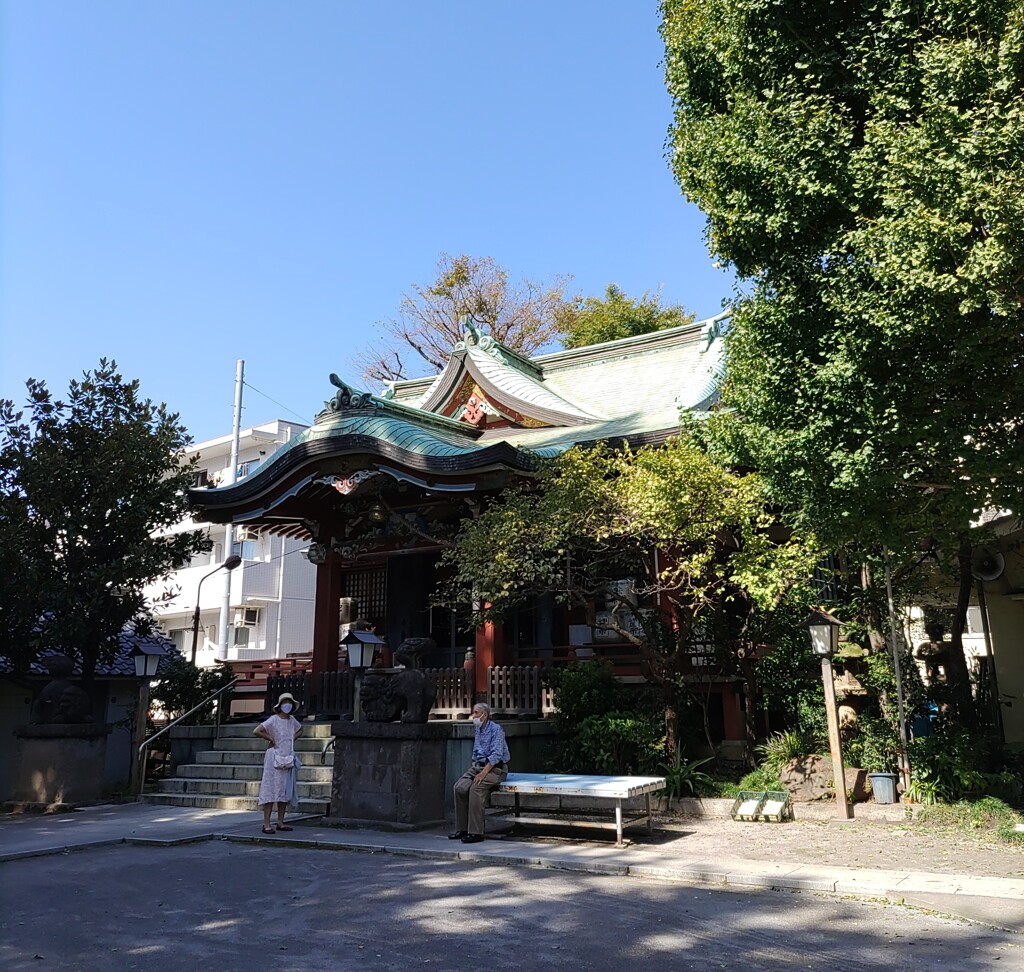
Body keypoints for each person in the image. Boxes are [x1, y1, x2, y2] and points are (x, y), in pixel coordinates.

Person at [449, 702, 510, 844]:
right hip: (478, 766)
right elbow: (476, 751)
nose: (473, 716)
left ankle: (476, 832)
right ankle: (462, 828)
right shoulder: (478, 729)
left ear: (485, 714)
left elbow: (496, 755)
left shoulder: (497, 730)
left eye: (476, 713)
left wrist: (483, 773)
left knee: (475, 789)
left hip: (496, 769)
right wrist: (475, 768)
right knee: (460, 787)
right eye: (473, 713)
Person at [254, 692, 303, 834]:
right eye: (285, 702)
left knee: (284, 791)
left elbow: (300, 730)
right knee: (270, 790)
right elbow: (257, 730)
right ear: (280, 705)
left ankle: (281, 822)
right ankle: (266, 824)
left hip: (287, 757)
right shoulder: (273, 719)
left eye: (289, 702)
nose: (287, 705)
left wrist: (293, 738)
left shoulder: (292, 720)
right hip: (274, 756)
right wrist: (270, 738)